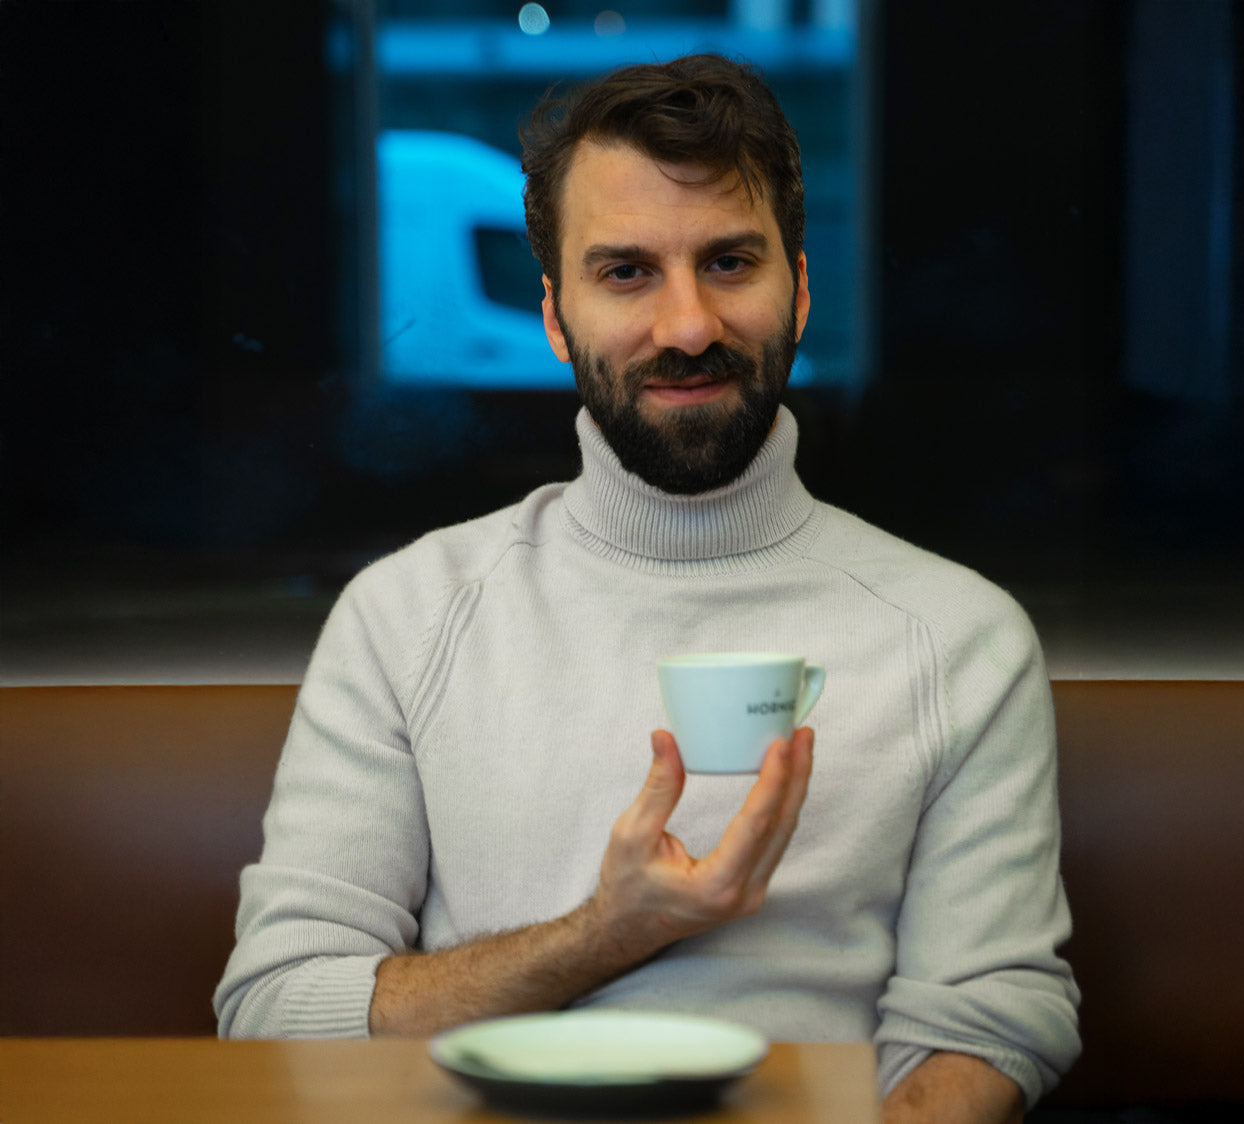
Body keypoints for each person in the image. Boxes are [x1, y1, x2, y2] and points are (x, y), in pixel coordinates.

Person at [215, 53, 1080, 1121]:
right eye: (625, 272)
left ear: (799, 289)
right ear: (554, 315)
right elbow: (276, 1008)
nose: (684, 326)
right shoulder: (406, 615)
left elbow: (983, 1019)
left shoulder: (957, 637)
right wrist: (605, 932)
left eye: (727, 262)